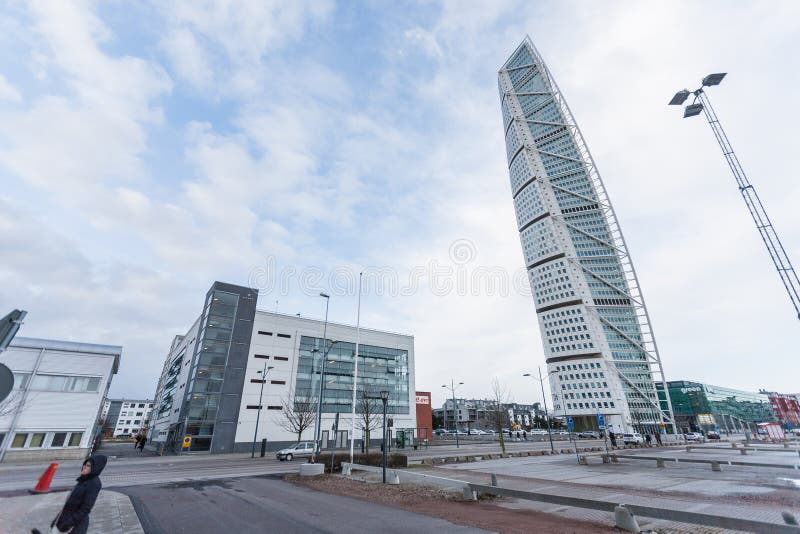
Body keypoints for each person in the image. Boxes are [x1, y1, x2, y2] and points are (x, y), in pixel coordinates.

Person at [34, 455, 107, 534]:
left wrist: (69, 523)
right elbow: (69, 503)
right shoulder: (83, 480)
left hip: (76, 525)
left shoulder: (94, 484)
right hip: (65, 519)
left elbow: (85, 509)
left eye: (88, 466)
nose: (84, 467)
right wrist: (57, 520)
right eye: (84, 464)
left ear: (95, 467)